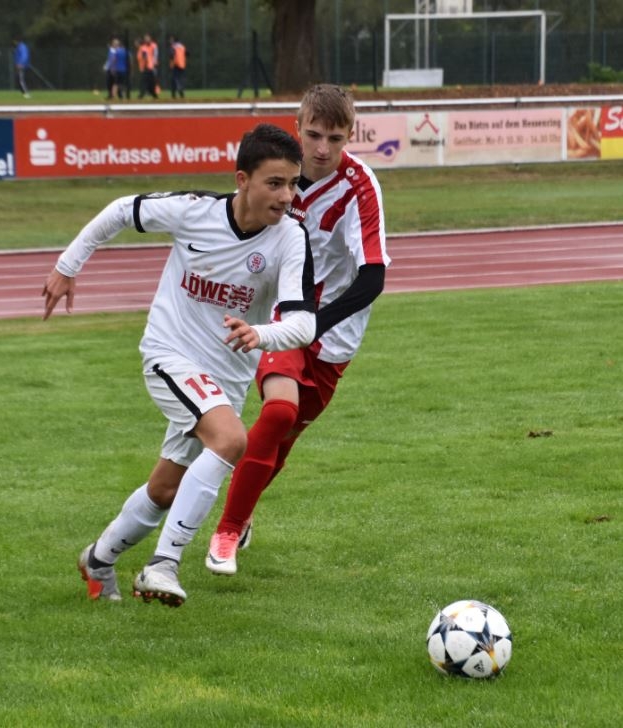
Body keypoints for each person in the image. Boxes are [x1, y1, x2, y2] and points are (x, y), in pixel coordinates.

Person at [41, 123, 316, 606]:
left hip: (225, 379)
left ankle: (98, 560)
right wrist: (67, 266)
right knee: (231, 439)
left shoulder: (291, 238)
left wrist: (262, 334)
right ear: (242, 180)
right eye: (274, 183)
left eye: (292, 184)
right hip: (170, 354)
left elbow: (304, 324)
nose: (286, 196)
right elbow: (121, 210)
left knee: (165, 488)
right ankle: (162, 565)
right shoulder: (194, 212)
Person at [206, 84, 391, 576]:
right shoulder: (276, 172)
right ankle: (225, 533)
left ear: (350, 135)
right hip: (281, 315)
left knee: (283, 440)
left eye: (335, 138)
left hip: (334, 334)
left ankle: (242, 512)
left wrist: (314, 327)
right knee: (278, 412)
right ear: (298, 129)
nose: (322, 148)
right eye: (313, 135)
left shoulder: (360, 187)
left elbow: (373, 277)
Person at [135, 33, 158, 99]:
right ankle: (154, 94)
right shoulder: (142, 48)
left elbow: (145, 57)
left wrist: (146, 65)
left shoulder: (143, 48)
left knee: (144, 81)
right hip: (147, 67)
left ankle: (142, 94)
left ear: (139, 43)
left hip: (147, 67)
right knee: (150, 82)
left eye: (136, 43)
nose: (135, 44)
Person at [168, 35, 187, 99]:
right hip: (182, 65)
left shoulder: (173, 47)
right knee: (179, 78)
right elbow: (187, 53)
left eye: (171, 40)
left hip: (175, 64)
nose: (170, 41)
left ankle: (177, 90)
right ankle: (178, 94)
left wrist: (171, 63)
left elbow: (171, 55)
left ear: (174, 40)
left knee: (174, 79)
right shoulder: (182, 46)